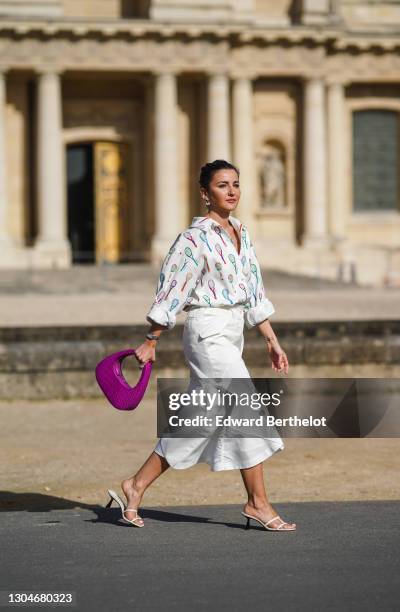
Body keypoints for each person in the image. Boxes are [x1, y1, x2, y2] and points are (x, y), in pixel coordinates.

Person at [106, 159, 296, 532]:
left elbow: (254, 291)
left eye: (236, 184)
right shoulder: (193, 239)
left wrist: (272, 340)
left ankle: (135, 485)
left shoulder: (242, 232)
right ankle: (258, 502)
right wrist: (151, 339)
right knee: (246, 406)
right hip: (206, 331)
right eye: (223, 185)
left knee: (200, 421)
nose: (232, 191)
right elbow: (172, 288)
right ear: (205, 193)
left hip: (233, 330)